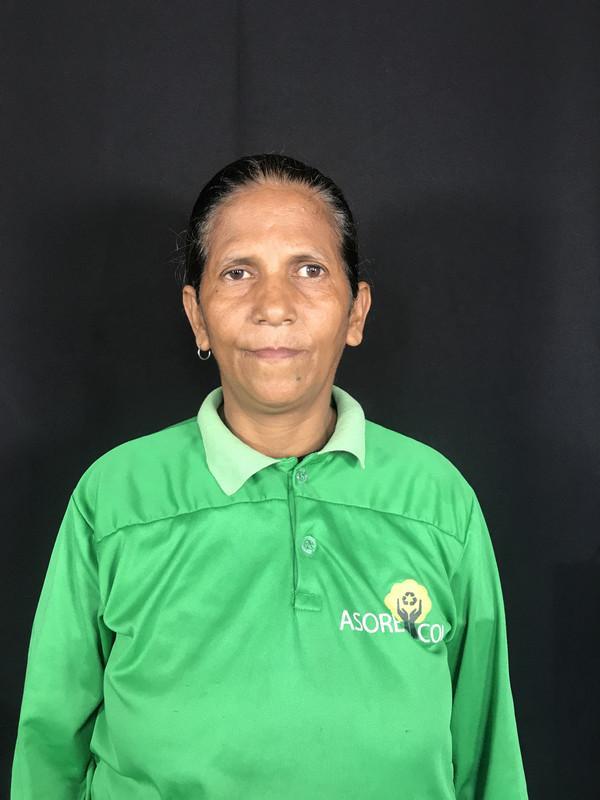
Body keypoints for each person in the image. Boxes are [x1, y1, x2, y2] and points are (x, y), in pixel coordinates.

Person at [10, 153, 528, 799]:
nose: (274, 306)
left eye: (309, 270)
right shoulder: (116, 497)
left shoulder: (436, 499)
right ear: (198, 315)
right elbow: (49, 748)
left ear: (356, 312)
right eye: (238, 272)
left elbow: (486, 754)